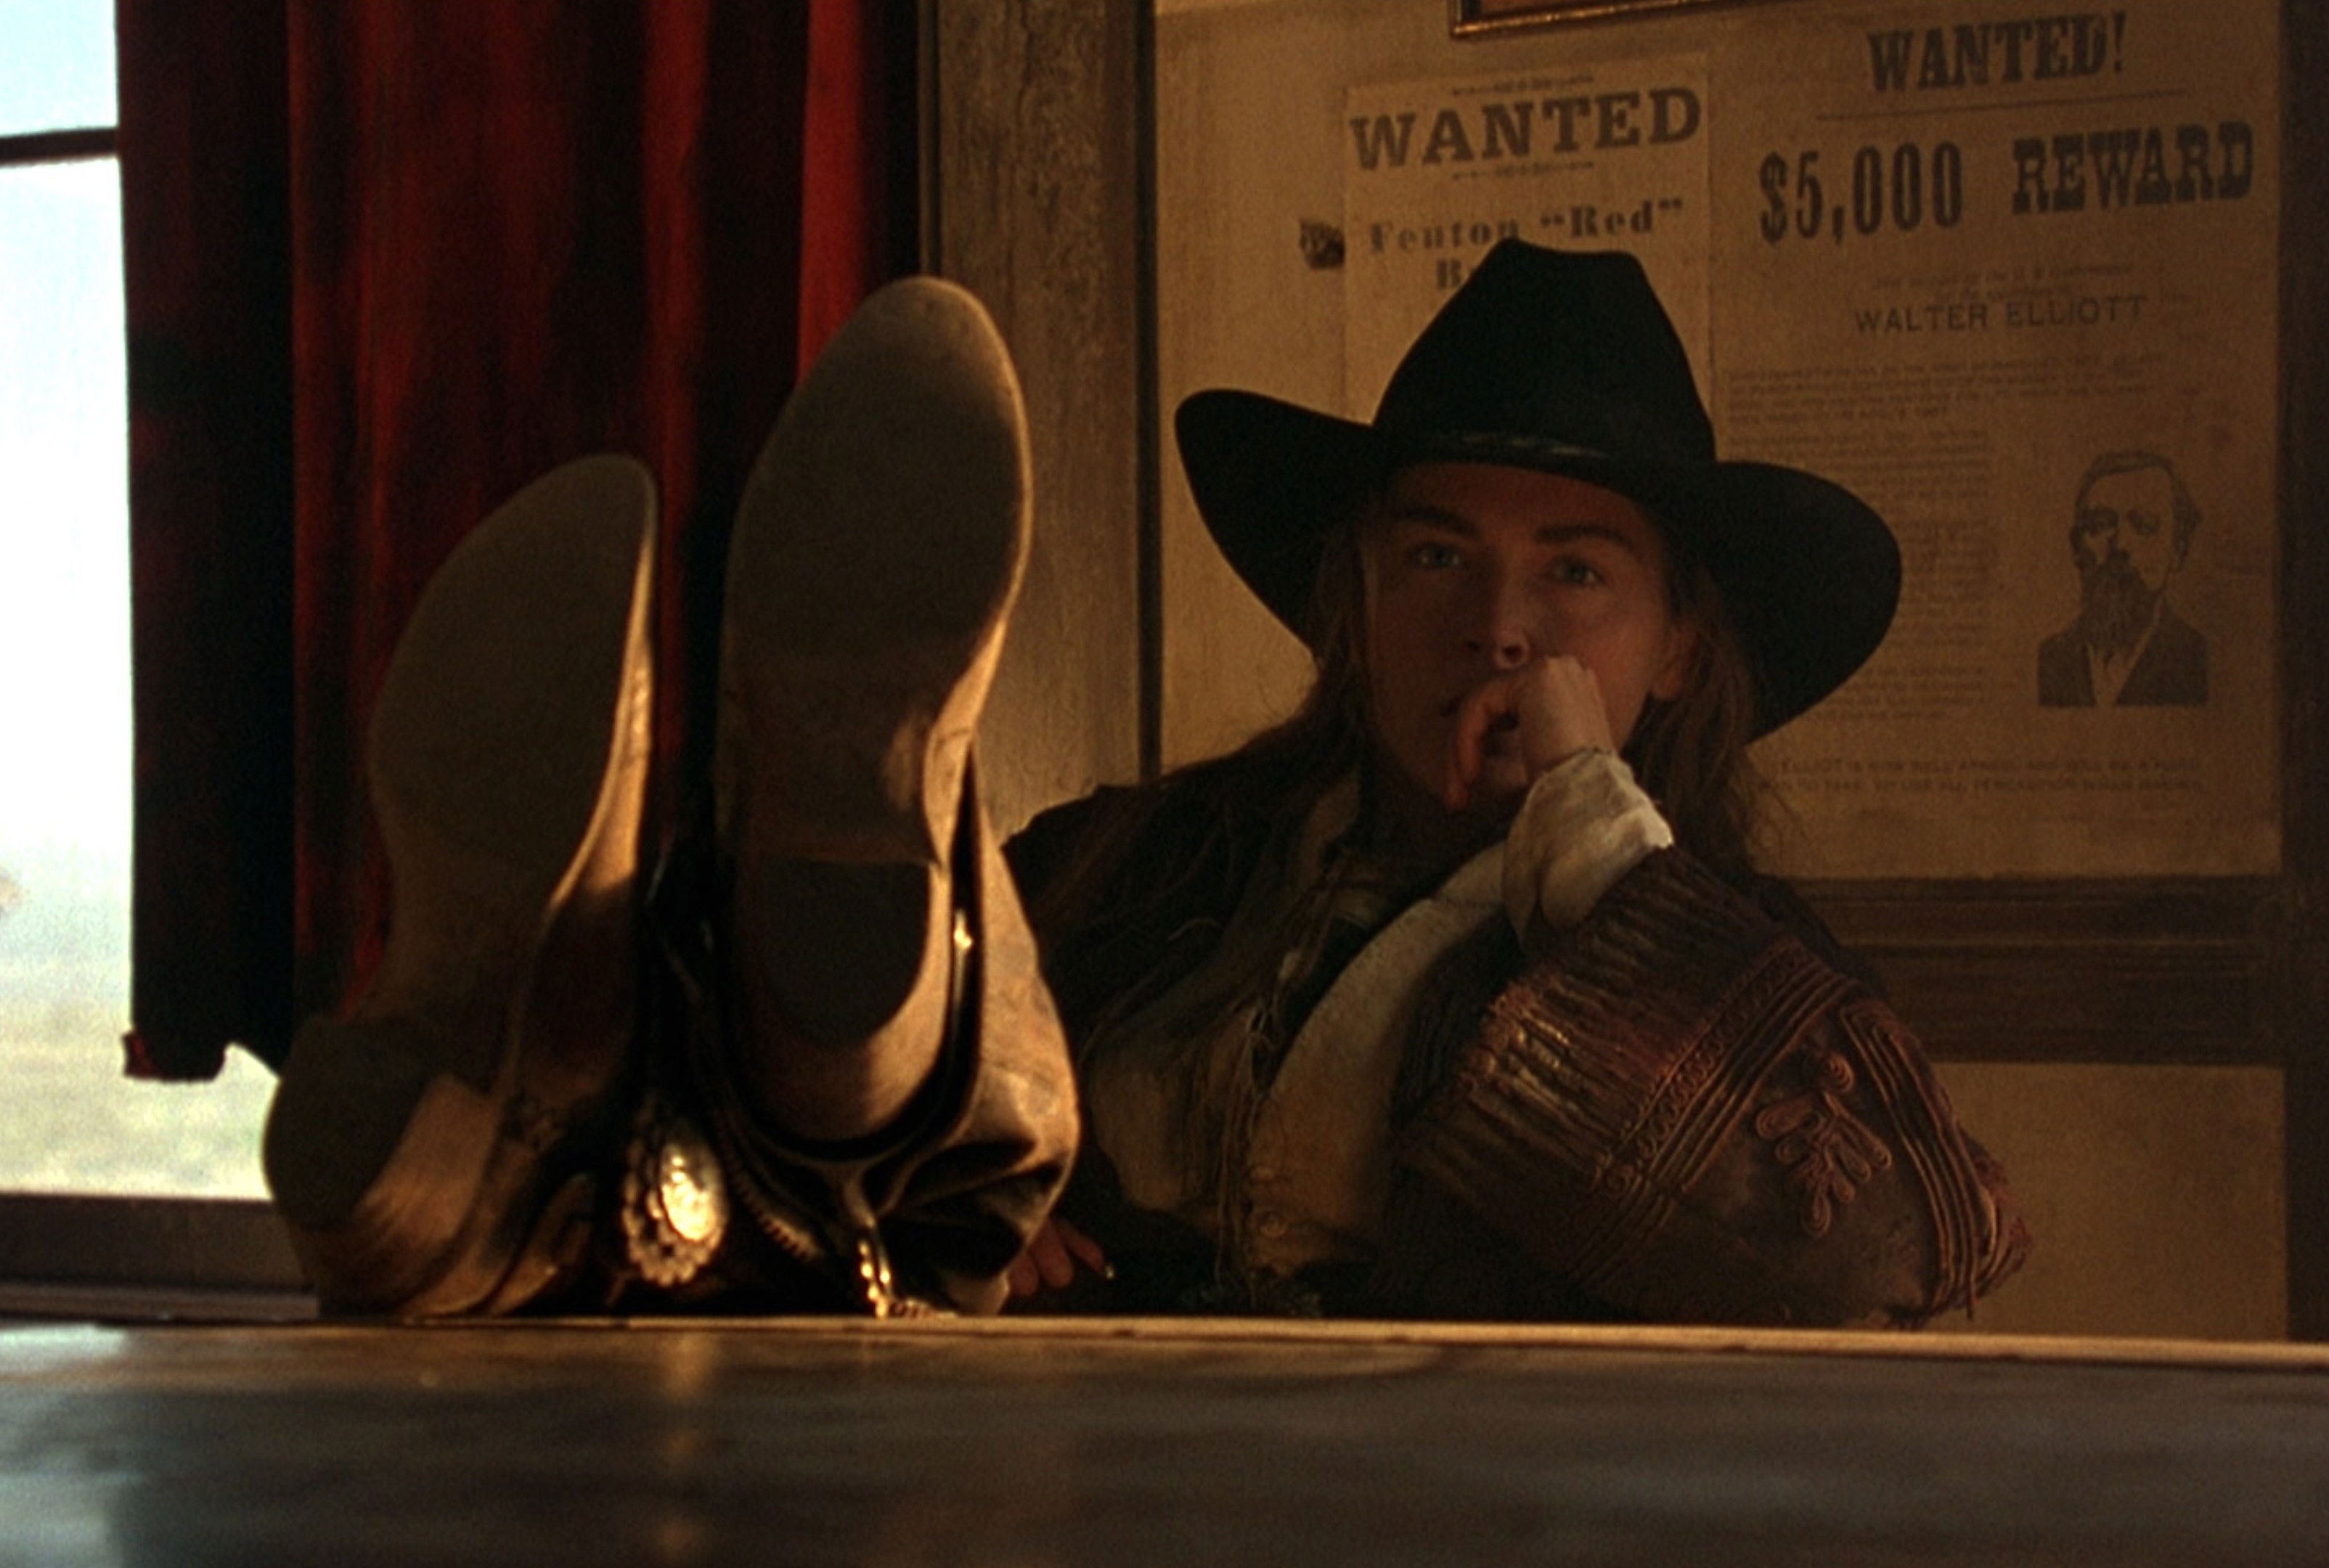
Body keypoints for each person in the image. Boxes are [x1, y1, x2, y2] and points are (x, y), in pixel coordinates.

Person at [263, 240, 2022, 1328]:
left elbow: (1866, 1252)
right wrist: (988, 1225)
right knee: (816, 1113)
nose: (1496, 624)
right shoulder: (1143, 862)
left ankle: (569, 1133)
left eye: (1575, 571)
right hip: (1088, 1471)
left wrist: (1587, 825)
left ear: (1682, 648)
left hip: (1475, 1512)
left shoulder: (1763, 974)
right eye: (1433, 556)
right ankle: (535, 1082)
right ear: (1352, 601)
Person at [2036, 450, 2209, 707]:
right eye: (2101, 524)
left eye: (2144, 525)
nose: (2121, 545)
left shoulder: (2198, 661)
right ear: (2077, 548)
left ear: (2178, 551)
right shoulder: (2047, 661)